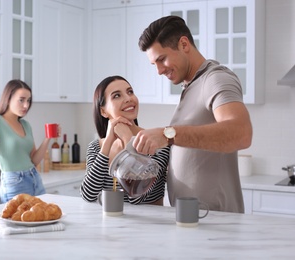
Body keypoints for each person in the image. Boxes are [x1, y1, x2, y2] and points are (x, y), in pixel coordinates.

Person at [132, 16, 253, 213]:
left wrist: (167, 134)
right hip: (194, 219)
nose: (159, 71)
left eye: (162, 59)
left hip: (217, 222)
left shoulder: (216, 79)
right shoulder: (191, 85)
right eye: (154, 64)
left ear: (184, 44)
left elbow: (241, 133)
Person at [80, 75, 170, 206]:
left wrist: (129, 140)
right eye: (117, 95)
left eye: (130, 92)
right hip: (110, 224)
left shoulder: (157, 142)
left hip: (149, 225)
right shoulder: (96, 147)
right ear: (103, 111)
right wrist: (107, 143)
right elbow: (88, 195)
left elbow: (136, 197)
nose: (128, 98)